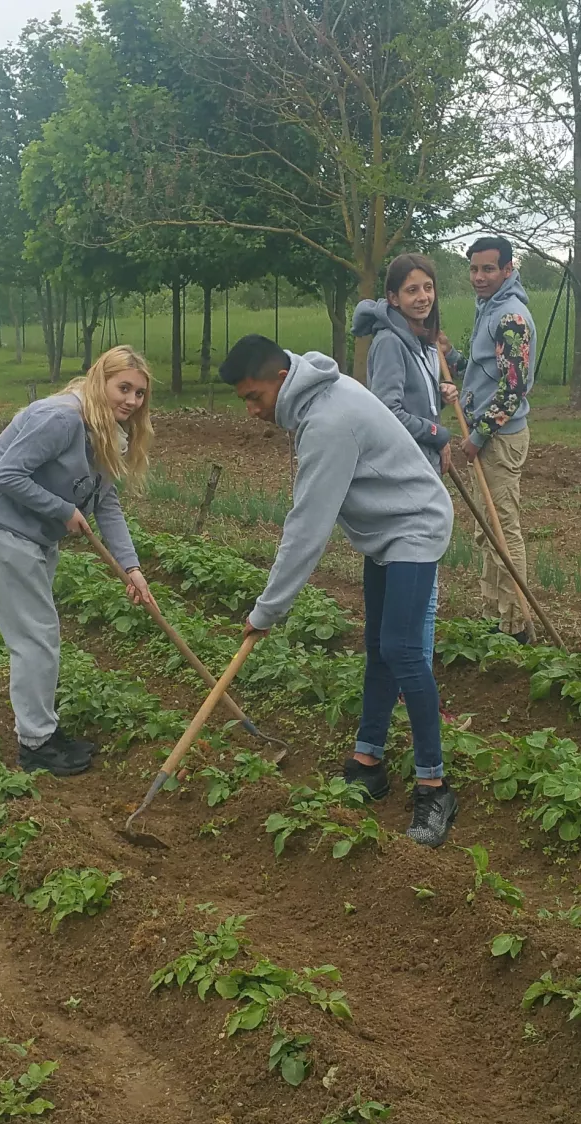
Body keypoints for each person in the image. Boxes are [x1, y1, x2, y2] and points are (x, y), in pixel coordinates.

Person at [219, 334, 459, 848]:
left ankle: (434, 786)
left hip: (415, 524)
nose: (251, 411)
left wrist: (267, 610)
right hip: (385, 529)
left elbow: (307, 528)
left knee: (402, 649)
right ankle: (368, 762)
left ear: (281, 379)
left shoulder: (328, 420)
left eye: (254, 397)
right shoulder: (315, 396)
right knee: (378, 646)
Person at [0, 346, 158, 777]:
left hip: (34, 532)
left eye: (140, 393)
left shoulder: (105, 429)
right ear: (100, 380)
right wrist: (63, 509)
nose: (131, 400)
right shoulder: (60, 419)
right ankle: (36, 744)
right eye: (124, 388)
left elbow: (106, 503)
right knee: (36, 636)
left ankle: (43, 730)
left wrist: (132, 569)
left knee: (39, 634)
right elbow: (6, 475)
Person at [352, 252, 460, 659]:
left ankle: (404, 678)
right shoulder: (390, 343)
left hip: (420, 471)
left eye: (428, 288)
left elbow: (411, 402)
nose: (422, 297)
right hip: (405, 479)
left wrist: (437, 398)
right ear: (393, 297)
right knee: (422, 600)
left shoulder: (417, 340)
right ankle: (417, 679)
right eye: (412, 290)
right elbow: (388, 411)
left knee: (415, 599)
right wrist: (438, 433)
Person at [449, 235, 535, 644]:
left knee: (502, 530)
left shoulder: (511, 317)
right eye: (474, 269)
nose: (479, 277)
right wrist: (451, 357)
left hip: (498, 439)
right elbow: (486, 371)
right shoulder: (489, 308)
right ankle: (494, 615)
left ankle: (516, 624)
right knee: (487, 530)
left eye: (488, 269)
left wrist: (479, 435)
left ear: (507, 269)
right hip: (486, 436)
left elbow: (513, 388)